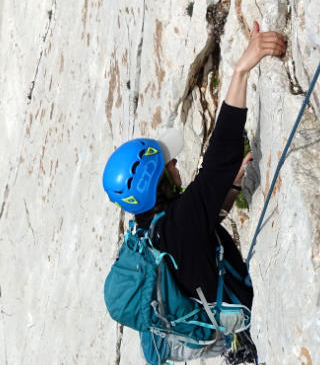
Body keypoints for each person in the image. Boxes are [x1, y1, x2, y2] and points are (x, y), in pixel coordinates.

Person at [102, 22, 287, 310]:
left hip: (221, 317)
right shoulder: (178, 221)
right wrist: (241, 71)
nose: (174, 161)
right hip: (248, 310)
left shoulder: (149, 227)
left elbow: (199, 230)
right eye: (166, 163)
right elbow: (220, 157)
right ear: (155, 181)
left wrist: (231, 185)